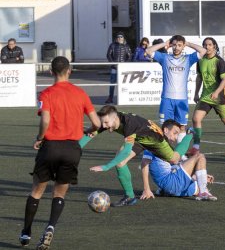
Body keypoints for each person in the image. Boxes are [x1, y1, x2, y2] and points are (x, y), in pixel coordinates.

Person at [19, 56, 100, 249]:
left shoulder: (46, 94)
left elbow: (45, 121)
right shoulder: (80, 93)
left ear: (50, 72)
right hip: (72, 149)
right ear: (70, 71)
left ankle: (26, 232)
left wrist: (40, 137)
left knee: (37, 191)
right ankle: (50, 227)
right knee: (59, 193)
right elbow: (97, 124)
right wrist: (87, 131)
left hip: (50, 147)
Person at [88, 105, 196, 206]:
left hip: (154, 140)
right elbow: (90, 133)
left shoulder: (129, 124)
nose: (103, 126)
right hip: (139, 137)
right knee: (120, 162)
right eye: (175, 133)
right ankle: (130, 197)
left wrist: (106, 166)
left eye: (106, 123)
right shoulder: (112, 118)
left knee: (174, 158)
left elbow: (131, 154)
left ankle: (190, 134)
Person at [145, 35, 207, 140]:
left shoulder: (188, 59)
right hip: (167, 99)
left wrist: (188, 44)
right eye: (174, 45)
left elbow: (203, 51)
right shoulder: (164, 58)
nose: (176, 47)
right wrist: (165, 44)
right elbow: (148, 51)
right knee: (165, 127)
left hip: (181, 99)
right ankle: (165, 154)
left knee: (182, 127)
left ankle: (180, 155)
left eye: (179, 45)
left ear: (183, 47)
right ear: (171, 45)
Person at [187, 37, 225, 158]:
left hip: (219, 97)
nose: (207, 47)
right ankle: (195, 148)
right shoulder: (200, 60)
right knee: (196, 119)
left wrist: (217, 92)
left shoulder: (219, 61)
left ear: (214, 46)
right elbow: (199, 78)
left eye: (210, 45)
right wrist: (196, 93)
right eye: (205, 45)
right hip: (205, 96)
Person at [140, 119, 217, 201]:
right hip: (171, 181)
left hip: (171, 186)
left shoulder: (165, 147)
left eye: (177, 135)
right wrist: (146, 189)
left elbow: (175, 166)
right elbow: (144, 163)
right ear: (166, 130)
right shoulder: (154, 143)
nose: (176, 138)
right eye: (175, 133)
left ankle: (165, 191)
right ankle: (204, 192)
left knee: (195, 186)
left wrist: (200, 176)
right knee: (200, 157)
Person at [105, 32, 132, 104]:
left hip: (123, 69)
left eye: (121, 37)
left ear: (123, 38)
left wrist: (125, 65)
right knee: (112, 83)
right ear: (116, 38)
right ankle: (110, 98)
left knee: (124, 84)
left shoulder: (127, 46)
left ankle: (125, 99)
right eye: (118, 37)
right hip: (114, 68)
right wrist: (113, 64)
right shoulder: (112, 45)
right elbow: (108, 55)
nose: (119, 38)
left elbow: (129, 57)